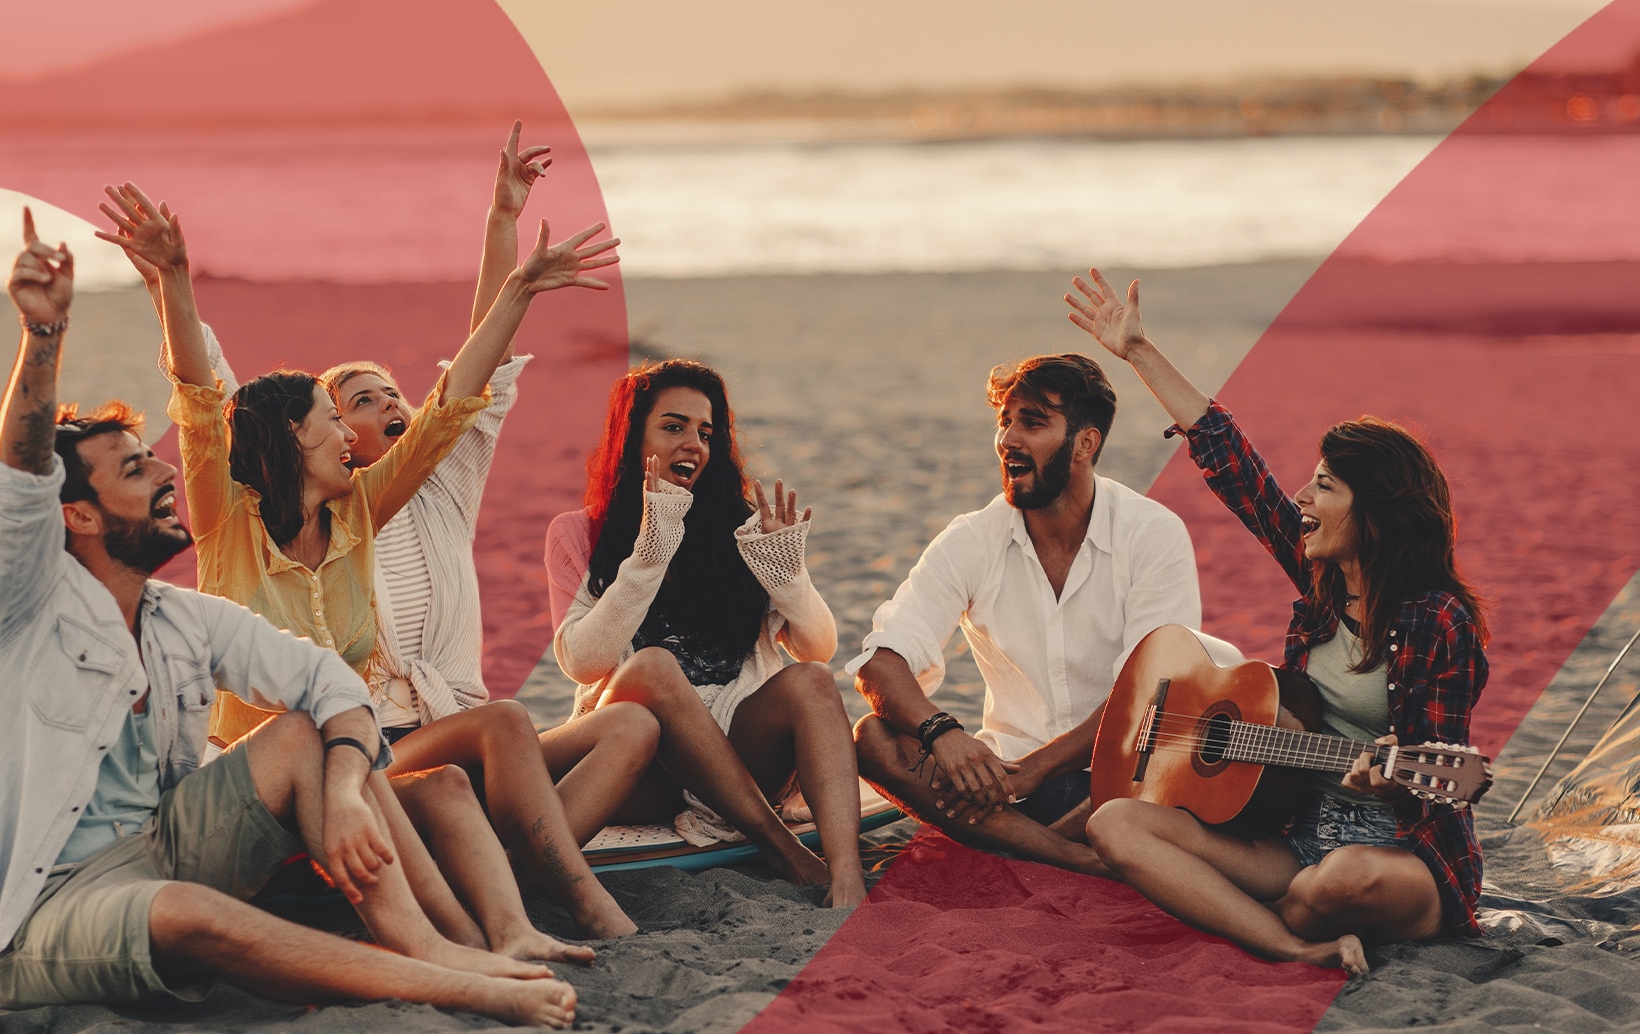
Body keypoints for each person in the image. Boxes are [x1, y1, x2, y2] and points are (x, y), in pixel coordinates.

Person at [0, 212, 575, 1026]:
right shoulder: (17, 608)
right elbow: (40, 472)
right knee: (189, 917)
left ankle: (437, 946)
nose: (162, 467)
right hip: (34, 906)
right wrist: (47, 333)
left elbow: (326, 684)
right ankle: (445, 982)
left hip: (162, 844)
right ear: (82, 518)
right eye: (134, 469)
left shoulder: (177, 618)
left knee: (312, 734)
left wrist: (344, 788)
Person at [98, 154, 637, 940]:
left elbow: (452, 409)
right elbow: (199, 400)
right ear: (298, 435)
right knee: (472, 758)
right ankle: (548, 907)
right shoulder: (228, 523)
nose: (363, 429)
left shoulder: (360, 517)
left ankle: (517, 928)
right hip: (268, 770)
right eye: (336, 410)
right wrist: (172, 282)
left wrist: (519, 284)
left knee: (461, 774)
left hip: (362, 759)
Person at [1066, 268, 1489, 974]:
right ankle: (1288, 940)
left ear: (1375, 514)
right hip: (1294, 838)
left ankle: (1284, 912)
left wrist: (1386, 777)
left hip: (1397, 854)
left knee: (1341, 879)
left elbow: (1437, 769)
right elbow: (1233, 468)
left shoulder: (1437, 621)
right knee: (1115, 822)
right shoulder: (1323, 585)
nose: (1299, 496)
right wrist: (1137, 350)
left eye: (1323, 485)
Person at [326, 125, 661, 858]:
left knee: (632, 724)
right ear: (330, 433)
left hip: (472, 737)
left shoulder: (444, 489)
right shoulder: (320, 523)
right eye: (360, 399)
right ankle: (536, 862)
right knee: (507, 721)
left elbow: (479, 365)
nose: (390, 402)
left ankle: (519, 857)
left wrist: (502, 220)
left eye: (392, 393)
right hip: (386, 753)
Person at [848, 351, 1201, 875]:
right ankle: (1064, 856)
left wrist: (1037, 769)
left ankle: (1016, 850)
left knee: (1163, 767)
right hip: (1002, 787)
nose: (1008, 439)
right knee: (874, 738)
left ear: (1086, 443)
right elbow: (882, 661)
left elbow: (1150, 694)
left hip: (1125, 779)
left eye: (1033, 422)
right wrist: (942, 732)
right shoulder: (972, 538)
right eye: (1004, 421)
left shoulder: (1152, 533)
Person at [545, 359, 868, 909]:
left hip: (738, 747)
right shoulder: (580, 533)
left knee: (812, 680)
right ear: (632, 437)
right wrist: (651, 550)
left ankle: (846, 873)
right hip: (642, 766)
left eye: (705, 431)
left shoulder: (741, 527)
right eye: (673, 427)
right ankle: (781, 848)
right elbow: (583, 662)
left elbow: (819, 647)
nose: (692, 442)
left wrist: (787, 575)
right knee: (650, 666)